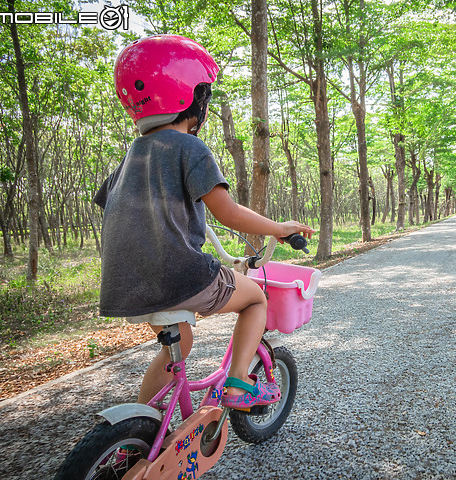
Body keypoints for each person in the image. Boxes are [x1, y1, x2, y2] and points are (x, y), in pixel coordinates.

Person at [94, 34, 315, 409]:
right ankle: (239, 383)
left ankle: (146, 429)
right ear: (192, 98)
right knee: (256, 299)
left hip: (124, 283)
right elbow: (226, 211)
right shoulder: (189, 147)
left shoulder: (131, 156)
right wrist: (280, 228)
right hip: (178, 274)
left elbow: (117, 209)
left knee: (175, 349)